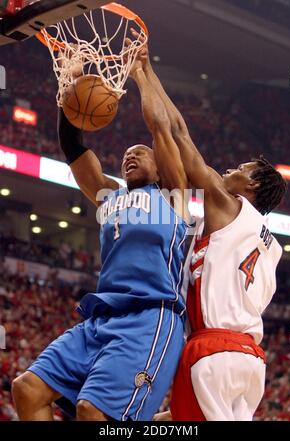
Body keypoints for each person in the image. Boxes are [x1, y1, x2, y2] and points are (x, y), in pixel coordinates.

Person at [11, 49, 192, 421]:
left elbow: (161, 128)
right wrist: (70, 86)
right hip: (100, 317)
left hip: (149, 318)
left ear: (161, 166)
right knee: (26, 390)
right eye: (126, 154)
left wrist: (141, 73)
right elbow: (73, 146)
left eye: (140, 153)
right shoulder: (109, 195)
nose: (130, 156)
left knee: (92, 412)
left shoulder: (174, 197)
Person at [130, 31, 287, 421]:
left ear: (251, 186)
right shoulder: (268, 242)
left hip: (212, 348)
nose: (229, 171)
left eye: (239, 170)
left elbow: (179, 133)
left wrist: (144, 72)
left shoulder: (228, 205)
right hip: (251, 362)